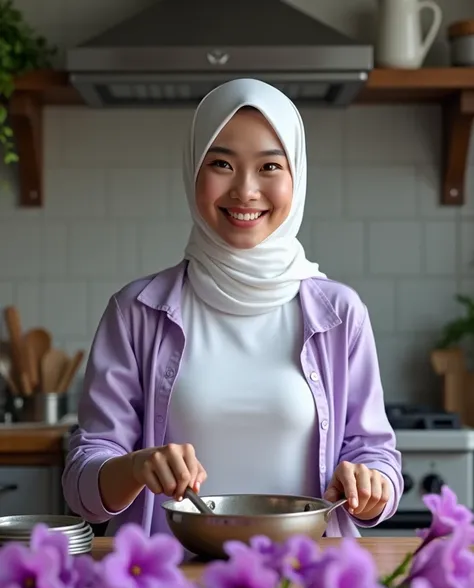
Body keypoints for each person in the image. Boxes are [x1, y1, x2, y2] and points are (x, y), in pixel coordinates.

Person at [63, 78, 403, 538]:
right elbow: (82, 484)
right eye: (221, 163)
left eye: (269, 167)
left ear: (295, 177)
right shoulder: (134, 312)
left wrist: (372, 483)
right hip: (168, 584)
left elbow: (376, 456)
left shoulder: (340, 313)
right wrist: (136, 466)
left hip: (307, 579)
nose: (245, 190)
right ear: (192, 170)